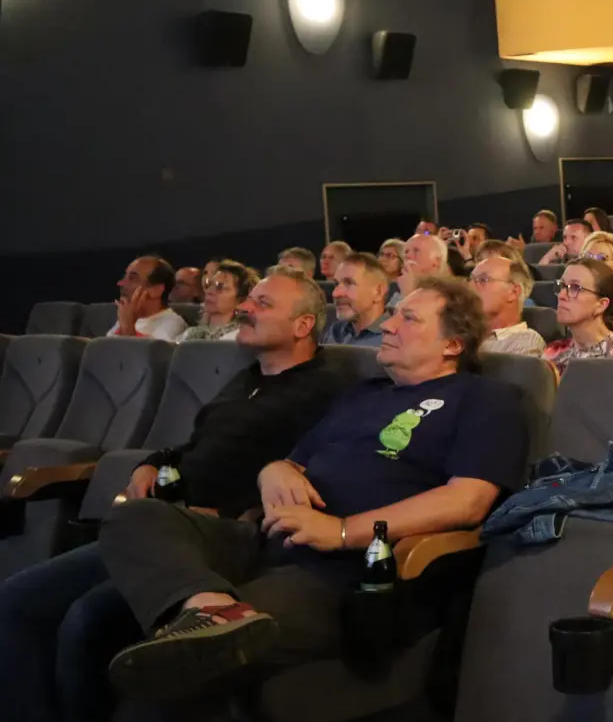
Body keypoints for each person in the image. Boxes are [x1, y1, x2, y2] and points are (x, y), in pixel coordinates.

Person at [96, 277, 529, 702]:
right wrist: (274, 470)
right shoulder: (364, 394)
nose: (389, 325)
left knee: (169, 659)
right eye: (393, 313)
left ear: (452, 344)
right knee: (135, 515)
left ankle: (215, 619)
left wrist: (342, 530)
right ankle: (211, 607)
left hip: (340, 573)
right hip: (264, 539)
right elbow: (294, 461)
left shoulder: (485, 399)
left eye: (409, 318)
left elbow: (469, 501)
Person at [0, 270, 349, 722]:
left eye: (263, 304)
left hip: (218, 539)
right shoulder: (246, 380)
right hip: (162, 524)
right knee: (15, 601)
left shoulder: (328, 389)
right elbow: (198, 444)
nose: (245, 308)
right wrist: (153, 460)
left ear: (303, 326)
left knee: (86, 622)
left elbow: (317, 473)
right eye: (250, 301)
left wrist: (236, 514)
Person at [543, 260, 613, 371]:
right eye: (562, 285)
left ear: (601, 305)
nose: (561, 295)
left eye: (575, 288)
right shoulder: (553, 352)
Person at [471, 252, 544, 356]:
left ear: (513, 292)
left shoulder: (526, 341)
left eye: (483, 280)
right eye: (472, 279)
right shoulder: (464, 334)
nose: (471, 286)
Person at [109, 255, 188, 341]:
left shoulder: (173, 324)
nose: (121, 283)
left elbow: (147, 354)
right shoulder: (126, 317)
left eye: (132, 278)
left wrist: (128, 328)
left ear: (156, 290)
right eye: (124, 277)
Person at [322, 253, 392, 347]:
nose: (335, 293)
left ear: (378, 292)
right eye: (336, 284)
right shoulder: (335, 331)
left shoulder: (396, 338)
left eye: (349, 283)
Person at [179, 261, 259, 342]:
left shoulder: (239, 338)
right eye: (209, 284)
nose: (209, 291)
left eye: (220, 286)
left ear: (241, 301)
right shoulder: (190, 335)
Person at [391, 233, 449, 310]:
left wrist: (409, 293)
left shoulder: (448, 296)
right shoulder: (395, 288)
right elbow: (386, 321)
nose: (408, 256)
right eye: (406, 252)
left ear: (436, 261)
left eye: (416, 251)